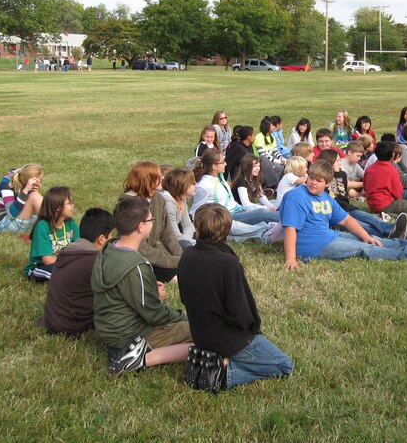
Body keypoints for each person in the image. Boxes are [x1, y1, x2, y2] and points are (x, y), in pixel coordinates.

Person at [177, 204, 293, 389]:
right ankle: (221, 373)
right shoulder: (228, 263)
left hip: (200, 333)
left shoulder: (187, 255)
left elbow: (184, 297)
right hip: (229, 339)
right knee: (283, 364)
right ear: (227, 231)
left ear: (197, 229)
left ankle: (214, 361)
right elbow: (242, 311)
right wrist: (252, 329)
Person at [92, 197, 193, 376]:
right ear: (140, 226)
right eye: (151, 220)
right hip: (132, 333)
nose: (153, 224)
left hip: (109, 329)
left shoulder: (108, 249)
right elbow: (155, 314)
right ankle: (138, 356)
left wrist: (148, 289)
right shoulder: (137, 266)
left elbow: (123, 290)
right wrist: (180, 315)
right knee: (206, 333)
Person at [280, 161, 407, 269]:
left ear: (327, 183)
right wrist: (291, 258)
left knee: (371, 240)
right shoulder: (296, 197)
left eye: (318, 180)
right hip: (314, 246)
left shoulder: (326, 197)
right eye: (311, 178)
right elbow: (290, 229)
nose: (313, 182)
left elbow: (346, 220)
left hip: (329, 235)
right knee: (363, 249)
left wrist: (366, 236)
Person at [38, 208, 115, 336]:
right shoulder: (95, 261)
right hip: (72, 326)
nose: (112, 242)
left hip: (52, 320)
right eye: (111, 236)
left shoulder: (69, 251)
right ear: (101, 239)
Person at [190, 149, 282, 243]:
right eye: (222, 162)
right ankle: (288, 221)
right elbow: (194, 211)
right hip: (227, 216)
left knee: (273, 204)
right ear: (214, 166)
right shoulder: (205, 185)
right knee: (261, 213)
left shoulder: (219, 178)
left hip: (238, 210)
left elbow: (257, 196)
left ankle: (279, 220)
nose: (226, 164)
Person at [316, 149, 407, 240]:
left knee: (370, 218)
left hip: (347, 207)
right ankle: (390, 234)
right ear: (328, 162)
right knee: (360, 225)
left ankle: (393, 228)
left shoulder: (342, 175)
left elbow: (343, 194)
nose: (340, 163)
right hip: (336, 213)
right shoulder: (320, 180)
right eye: (337, 161)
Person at [119, 161, 182, 283]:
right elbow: (140, 247)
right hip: (138, 258)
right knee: (176, 276)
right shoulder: (129, 205)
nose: (163, 177)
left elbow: (167, 233)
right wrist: (174, 261)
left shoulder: (159, 199)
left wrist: (182, 257)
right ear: (148, 179)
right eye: (159, 175)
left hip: (158, 252)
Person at [24, 187, 80, 281]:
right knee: (59, 271)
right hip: (40, 267)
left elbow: (79, 249)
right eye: (69, 203)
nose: (73, 206)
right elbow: (48, 260)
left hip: (63, 262)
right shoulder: (42, 227)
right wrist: (69, 258)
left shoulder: (71, 223)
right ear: (58, 207)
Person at [364, 141, 407, 218]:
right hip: (385, 204)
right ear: (392, 155)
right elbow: (398, 192)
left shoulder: (369, 168)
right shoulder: (391, 170)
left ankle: (385, 213)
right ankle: (390, 215)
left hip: (371, 205)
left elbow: (365, 186)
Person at [0, 163, 45, 234]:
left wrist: (32, 191)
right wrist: (26, 190)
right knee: (34, 197)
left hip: (19, 216)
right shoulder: (6, 184)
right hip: (4, 223)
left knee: (42, 220)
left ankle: (56, 222)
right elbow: (11, 214)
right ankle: (54, 224)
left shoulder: (22, 180)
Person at [159, 168, 197, 248]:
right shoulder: (168, 204)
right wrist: (195, 244)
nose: (196, 185)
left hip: (179, 235)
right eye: (192, 183)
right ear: (182, 186)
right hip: (164, 240)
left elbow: (188, 225)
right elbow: (174, 235)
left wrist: (188, 239)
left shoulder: (181, 198)